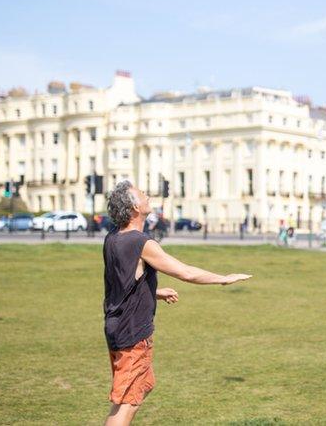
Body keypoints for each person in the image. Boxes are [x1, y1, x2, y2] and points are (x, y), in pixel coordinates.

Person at [102, 181, 251, 425]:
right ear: (133, 207)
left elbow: (120, 282)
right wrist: (223, 279)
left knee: (145, 384)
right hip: (131, 333)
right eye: (142, 194)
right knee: (126, 404)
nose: (147, 195)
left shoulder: (113, 238)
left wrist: (153, 291)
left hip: (118, 327)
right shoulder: (140, 242)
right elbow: (186, 272)